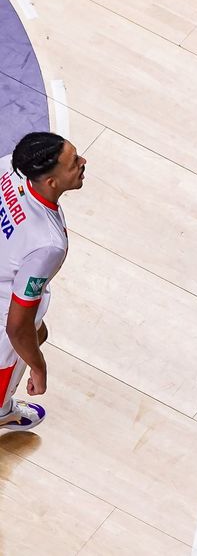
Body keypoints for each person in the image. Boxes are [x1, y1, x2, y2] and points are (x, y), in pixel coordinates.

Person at [0, 132, 86, 432]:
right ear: (51, 182)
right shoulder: (47, 244)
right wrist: (39, 368)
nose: (83, 162)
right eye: (74, 162)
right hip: (5, 319)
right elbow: (16, 326)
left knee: (39, 333)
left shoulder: (8, 167)